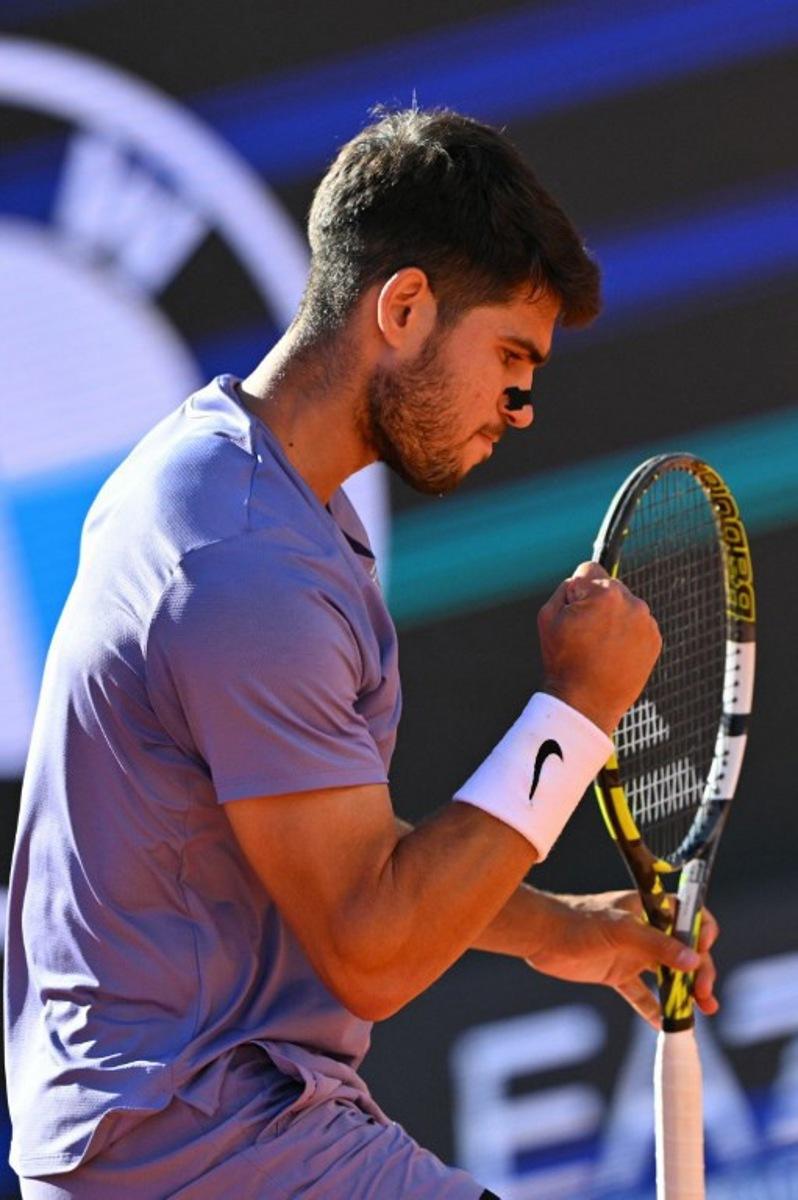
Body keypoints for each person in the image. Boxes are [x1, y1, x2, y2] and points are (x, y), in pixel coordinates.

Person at [4, 107, 718, 1200]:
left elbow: (329, 854)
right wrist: (577, 707)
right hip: (198, 1149)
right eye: (510, 358)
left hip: (180, 1138)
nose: (521, 409)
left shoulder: (237, 486)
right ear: (403, 307)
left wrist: (557, 932)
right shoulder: (245, 564)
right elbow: (372, 948)